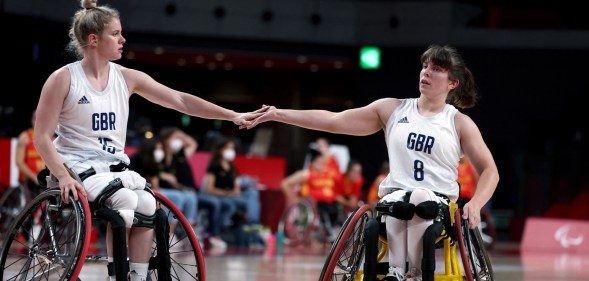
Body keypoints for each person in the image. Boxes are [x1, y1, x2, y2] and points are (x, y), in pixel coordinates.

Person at [33, 1, 266, 280]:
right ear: (93, 40)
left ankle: (137, 276)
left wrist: (232, 115)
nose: (123, 39)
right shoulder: (63, 79)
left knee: (147, 205)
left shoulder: (127, 78)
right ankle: (114, 274)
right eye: (116, 33)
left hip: (113, 167)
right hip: (76, 166)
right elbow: (42, 136)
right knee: (126, 200)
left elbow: (180, 100)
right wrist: (62, 175)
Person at [245, 44, 499, 281]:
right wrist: (279, 114)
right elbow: (333, 120)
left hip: (439, 206)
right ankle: (399, 271)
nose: (427, 72)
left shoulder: (458, 122)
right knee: (402, 201)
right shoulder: (392, 110)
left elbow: (490, 171)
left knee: (420, 196)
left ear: (452, 83)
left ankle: (414, 270)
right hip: (395, 201)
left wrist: (476, 203)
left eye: (436, 69)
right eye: (425, 66)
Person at [203, 137, 262, 241]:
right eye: (228, 148)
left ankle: (253, 223)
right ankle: (216, 231)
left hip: (233, 196)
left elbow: (236, 185)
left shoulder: (232, 167)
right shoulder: (214, 167)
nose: (231, 152)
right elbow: (209, 189)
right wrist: (227, 193)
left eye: (232, 148)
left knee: (252, 193)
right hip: (221, 196)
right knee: (233, 204)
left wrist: (237, 191)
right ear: (220, 150)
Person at [281, 148, 341, 240]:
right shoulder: (306, 174)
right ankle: (326, 230)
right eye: (319, 162)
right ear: (313, 163)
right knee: (323, 208)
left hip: (330, 204)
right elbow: (285, 184)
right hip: (314, 204)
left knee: (336, 207)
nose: (322, 165)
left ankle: (333, 231)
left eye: (323, 162)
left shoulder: (327, 174)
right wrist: (295, 200)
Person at [15, 109, 46, 200]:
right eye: (36, 119)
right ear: (33, 120)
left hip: (45, 179)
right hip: (30, 180)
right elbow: (19, 162)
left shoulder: (50, 138)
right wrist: (35, 178)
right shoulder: (25, 137)